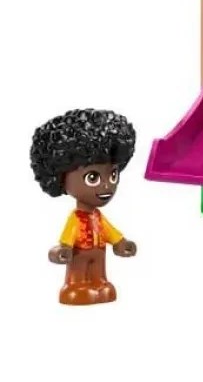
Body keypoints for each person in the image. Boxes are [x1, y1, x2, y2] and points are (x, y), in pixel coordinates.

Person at [30, 109, 138, 305]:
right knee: (78, 272)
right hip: (79, 253)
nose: (107, 186)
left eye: (113, 175)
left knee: (100, 275)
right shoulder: (76, 219)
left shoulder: (98, 217)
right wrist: (62, 250)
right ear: (62, 179)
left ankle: (100, 283)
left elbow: (109, 231)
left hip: (99, 252)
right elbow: (67, 238)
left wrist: (120, 243)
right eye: (93, 177)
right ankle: (74, 285)